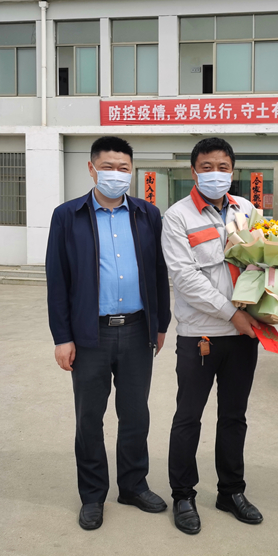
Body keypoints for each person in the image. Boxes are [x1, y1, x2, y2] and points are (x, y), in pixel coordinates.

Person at [45, 136, 171, 531]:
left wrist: (160, 324)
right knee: (89, 419)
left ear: (131, 171)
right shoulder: (68, 216)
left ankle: (133, 486)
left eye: (123, 168)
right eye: (108, 167)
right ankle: (93, 495)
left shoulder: (148, 215)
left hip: (136, 330)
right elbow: (57, 281)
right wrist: (62, 337)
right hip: (89, 335)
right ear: (91, 168)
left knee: (135, 415)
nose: (116, 174)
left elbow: (159, 273)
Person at [161, 137, 268, 536]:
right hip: (200, 336)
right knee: (188, 417)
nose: (215, 174)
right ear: (194, 171)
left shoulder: (247, 211)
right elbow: (185, 279)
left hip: (244, 335)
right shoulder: (177, 217)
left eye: (223, 167)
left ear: (232, 171)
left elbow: (264, 259)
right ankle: (183, 495)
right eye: (207, 167)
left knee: (234, 416)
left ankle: (231, 491)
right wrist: (231, 314)